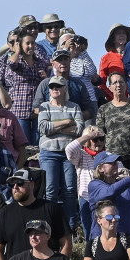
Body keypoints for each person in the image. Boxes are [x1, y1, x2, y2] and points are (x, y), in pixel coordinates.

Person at [37, 76, 84, 231]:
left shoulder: (75, 106)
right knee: (50, 190)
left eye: (58, 86)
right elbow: (43, 128)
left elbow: (80, 130)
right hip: (48, 153)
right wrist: (67, 122)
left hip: (69, 154)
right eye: (52, 87)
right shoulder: (44, 106)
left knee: (70, 191)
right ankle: (50, 228)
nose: (54, 89)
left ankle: (70, 229)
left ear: (65, 88)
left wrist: (55, 127)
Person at [95, 71, 130, 168]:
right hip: (113, 161)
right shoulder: (103, 109)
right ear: (110, 87)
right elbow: (100, 134)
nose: (118, 85)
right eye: (115, 82)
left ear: (126, 85)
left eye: (121, 82)